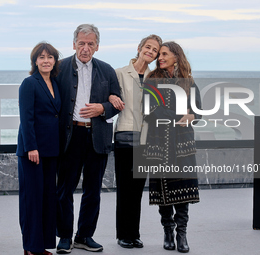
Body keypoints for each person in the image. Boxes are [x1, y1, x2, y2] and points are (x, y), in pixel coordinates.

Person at [55, 24, 122, 254]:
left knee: (93, 191)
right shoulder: (59, 68)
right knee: (65, 189)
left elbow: (117, 104)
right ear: (73, 44)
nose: (85, 48)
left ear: (97, 46)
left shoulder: (107, 70)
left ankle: (84, 235)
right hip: (70, 137)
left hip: (97, 137)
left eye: (90, 44)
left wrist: (102, 108)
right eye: (81, 43)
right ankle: (64, 236)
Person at [143, 41, 201, 253]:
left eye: (165, 54)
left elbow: (199, 111)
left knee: (182, 192)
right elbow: (150, 110)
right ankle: (168, 231)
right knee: (164, 193)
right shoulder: (152, 79)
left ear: (177, 56)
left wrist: (192, 114)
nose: (160, 58)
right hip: (159, 142)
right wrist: (179, 114)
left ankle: (182, 233)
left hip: (182, 144)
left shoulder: (188, 82)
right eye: (160, 54)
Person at [110, 35, 162, 249]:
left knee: (137, 189)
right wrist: (111, 98)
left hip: (147, 138)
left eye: (155, 50)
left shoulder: (156, 76)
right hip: (125, 135)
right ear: (139, 48)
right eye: (147, 47)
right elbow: (110, 96)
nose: (150, 51)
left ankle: (134, 233)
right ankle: (123, 234)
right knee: (124, 188)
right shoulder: (120, 73)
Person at [16, 42, 61, 255]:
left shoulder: (54, 82)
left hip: (51, 150)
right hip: (32, 151)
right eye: (41, 57)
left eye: (50, 57)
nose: (46, 61)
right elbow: (26, 118)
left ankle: (41, 245)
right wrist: (31, 147)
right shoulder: (29, 83)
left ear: (54, 61)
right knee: (32, 200)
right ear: (35, 61)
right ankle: (31, 248)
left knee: (47, 199)